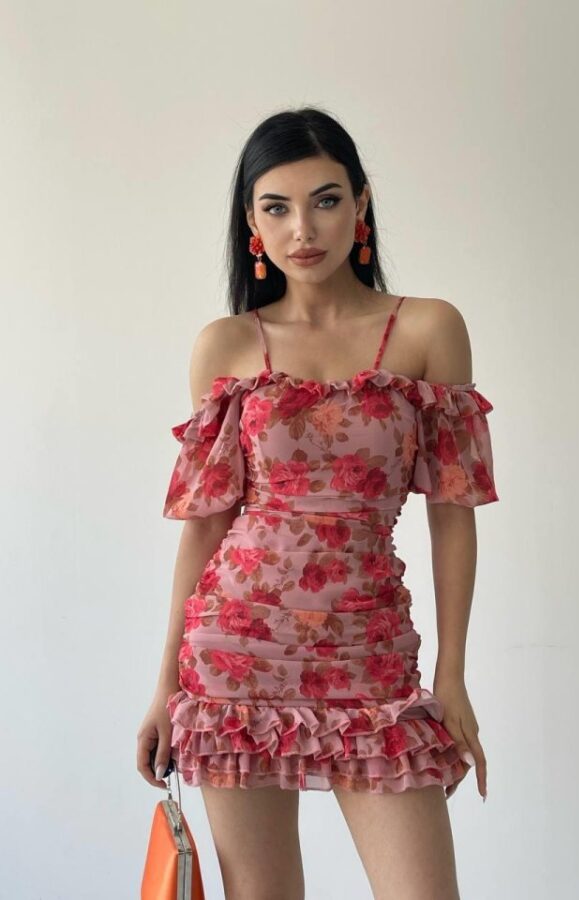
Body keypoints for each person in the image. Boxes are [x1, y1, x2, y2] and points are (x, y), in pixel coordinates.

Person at [137, 106, 499, 900]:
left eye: (326, 200)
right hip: (235, 660)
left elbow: (454, 515)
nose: (303, 229)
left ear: (361, 203)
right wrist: (166, 686)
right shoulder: (227, 344)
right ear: (252, 223)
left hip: (373, 657)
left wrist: (453, 674)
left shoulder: (428, 329)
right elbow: (206, 525)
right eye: (277, 207)